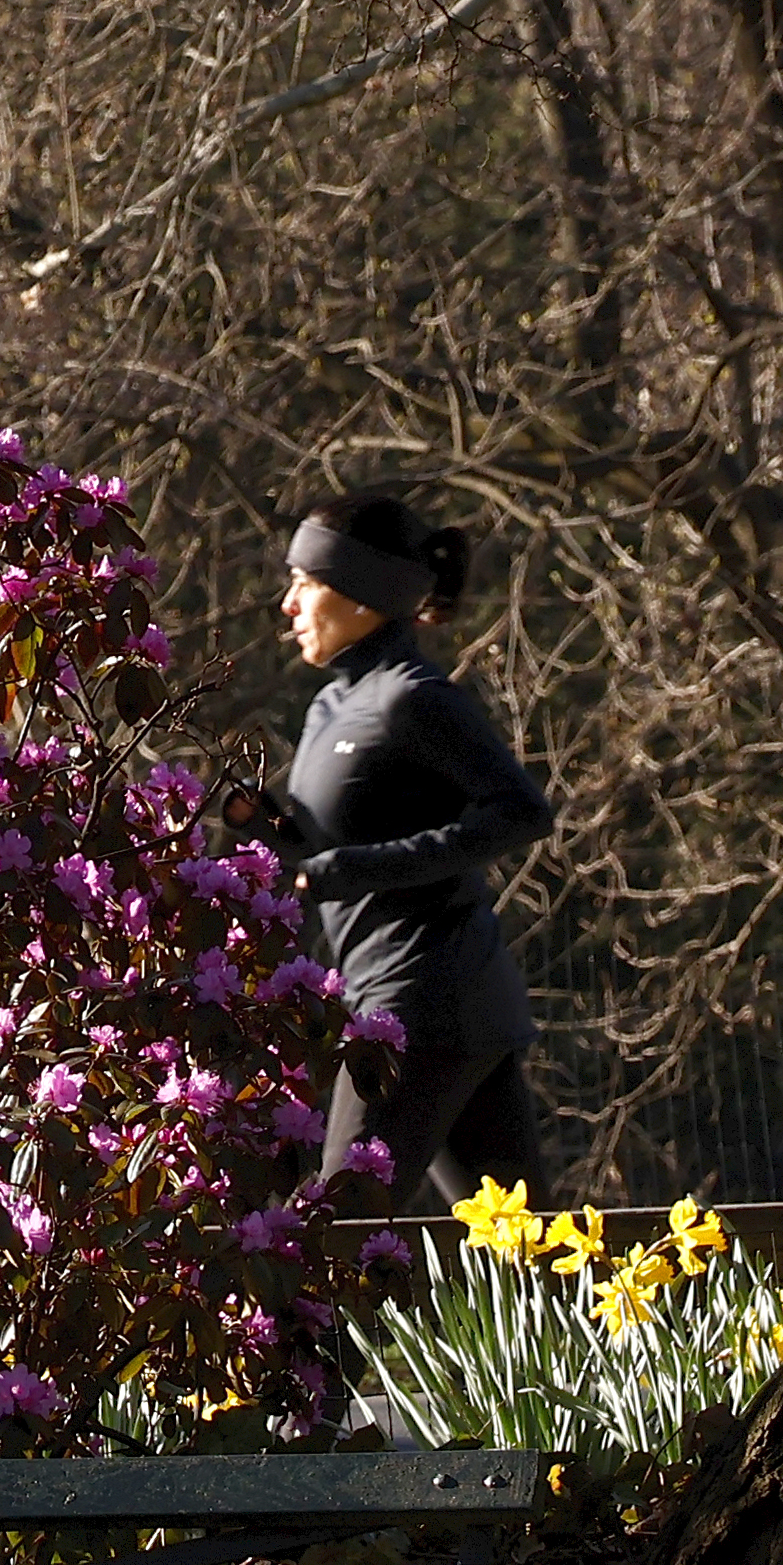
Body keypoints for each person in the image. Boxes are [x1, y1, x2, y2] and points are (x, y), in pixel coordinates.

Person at [273, 493, 555, 1221]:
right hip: (433, 1006)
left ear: (359, 592)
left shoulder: (413, 698)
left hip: (420, 1004)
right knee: (529, 1258)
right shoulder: (329, 707)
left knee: (333, 1239)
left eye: (305, 582)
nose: (288, 603)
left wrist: (345, 871)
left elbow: (522, 812)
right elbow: (325, 854)